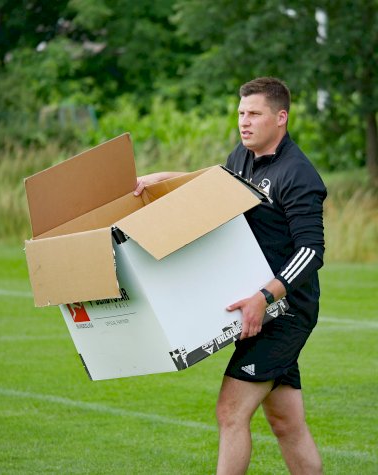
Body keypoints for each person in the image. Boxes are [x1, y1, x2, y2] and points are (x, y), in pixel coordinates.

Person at [134, 77, 326, 474]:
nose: (245, 122)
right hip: (265, 308)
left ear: (281, 118)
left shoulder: (299, 175)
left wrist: (265, 296)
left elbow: (311, 251)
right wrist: (165, 180)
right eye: (241, 113)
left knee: (229, 411)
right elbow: (217, 186)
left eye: (254, 113)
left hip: (284, 311)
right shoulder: (242, 156)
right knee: (286, 423)